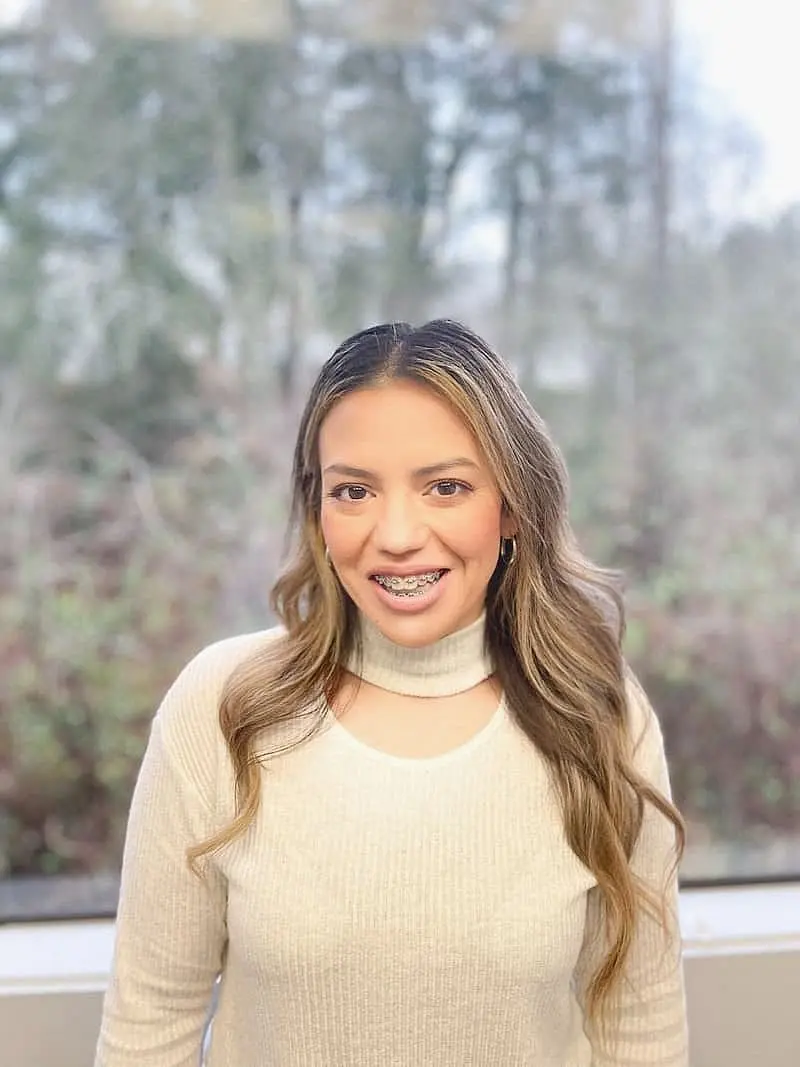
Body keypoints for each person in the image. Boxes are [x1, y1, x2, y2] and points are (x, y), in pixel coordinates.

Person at [94, 319, 688, 1067]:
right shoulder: (220, 707)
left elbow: (640, 1034)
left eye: (446, 486)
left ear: (510, 505)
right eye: (354, 490)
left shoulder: (599, 715)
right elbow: (148, 1024)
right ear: (319, 511)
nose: (397, 533)